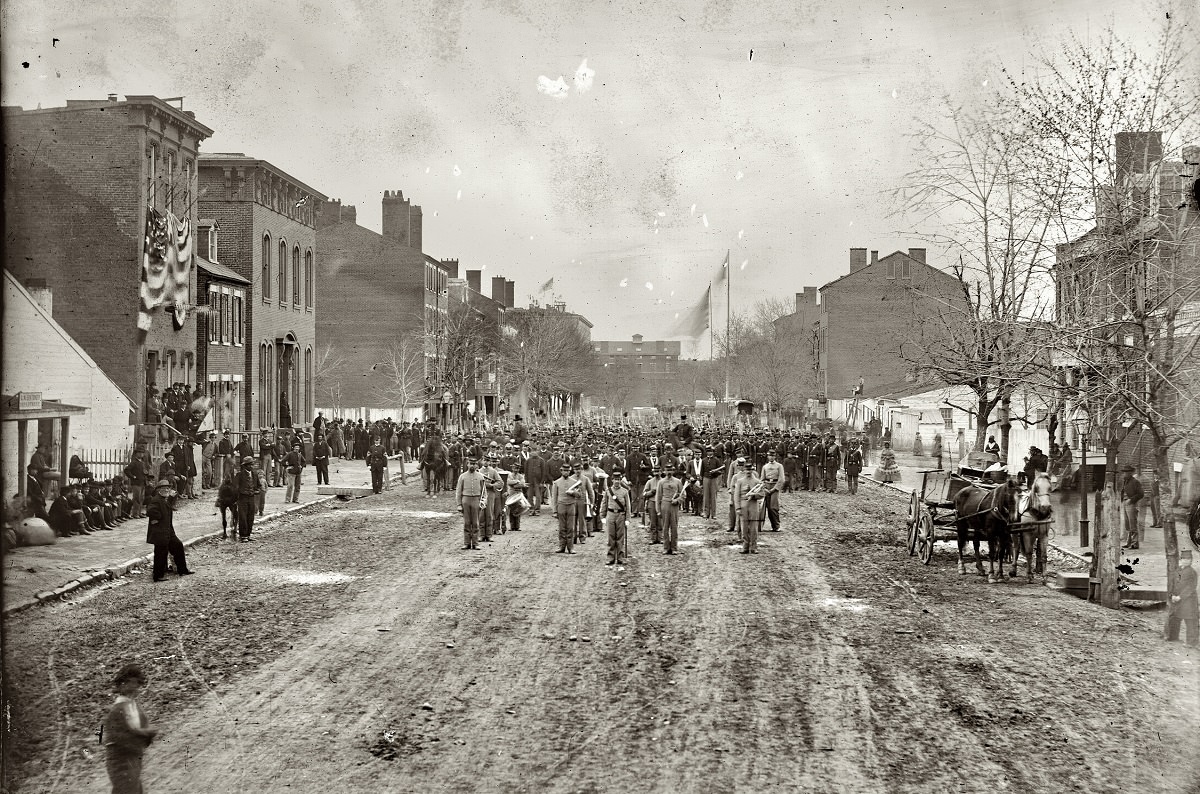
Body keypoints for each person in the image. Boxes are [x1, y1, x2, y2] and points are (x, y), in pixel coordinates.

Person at [103, 663, 158, 794]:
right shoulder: (117, 711)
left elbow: (143, 732)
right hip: (121, 763)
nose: (136, 687)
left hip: (134, 760)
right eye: (133, 683)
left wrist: (147, 734)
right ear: (122, 685)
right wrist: (146, 733)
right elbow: (121, 739)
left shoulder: (133, 706)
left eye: (138, 684)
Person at [145, 479, 192, 580]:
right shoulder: (156, 500)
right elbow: (150, 511)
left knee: (178, 546)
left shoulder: (164, 499)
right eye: (164, 488)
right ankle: (157, 576)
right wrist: (158, 517)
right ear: (159, 490)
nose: (166, 490)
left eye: (168, 488)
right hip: (160, 532)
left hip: (168, 531)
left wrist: (171, 498)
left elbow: (168, 506)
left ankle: (182, 570)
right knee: (160, 553)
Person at [1165, 549, 1198, 647]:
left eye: (1188, 559)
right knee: (1174, 617)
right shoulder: (1178, 570)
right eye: (1184, 559)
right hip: (1176, 598)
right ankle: (1173, 636)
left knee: (1190, 620)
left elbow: (1191, 587)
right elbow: (1173, 583)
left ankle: (1191, 642)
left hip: (1189, 599)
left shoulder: (1192, 572)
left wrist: (1180, 596)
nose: (1186, 561)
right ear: (1181, 559)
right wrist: (1172, 595)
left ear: (1191, 560)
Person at [455, 456, 486, 550]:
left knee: (476, 523)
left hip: (476, 500)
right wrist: (459, 504)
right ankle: (467, 543)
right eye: (470, 464)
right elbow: (458, 491)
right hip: (466, 500)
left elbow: (484, 492)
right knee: (467, 522)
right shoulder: (462, 476)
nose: (472, 466)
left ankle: (476, 543)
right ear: (467, 464)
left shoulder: (480, 477)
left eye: (474, 464)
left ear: (477, 465)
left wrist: (483, 502)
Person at [551, 462, 582, 554]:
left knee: (570, 528)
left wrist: (572, 493)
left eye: (568, 471)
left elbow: (579, 495)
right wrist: (555, 511)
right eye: (564, 471)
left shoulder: (574, 482)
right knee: (561, 528)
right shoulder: (556, 483)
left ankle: (570, 547)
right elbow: (554, 498)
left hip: (571, 506)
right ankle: (561, 546)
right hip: (561, 506)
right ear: (561, 471)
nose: (566, 473)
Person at [603, 468, 631, 565]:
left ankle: (620, 557)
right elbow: (604, 504)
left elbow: (628, 506)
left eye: (619, 479)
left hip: (621, 515)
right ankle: (610, 557)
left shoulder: (625, 492)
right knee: (611, 537)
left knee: (620, 537)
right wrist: (602, 516)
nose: (617, 481)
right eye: (615, 479)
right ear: (612, 480)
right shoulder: (608, 491)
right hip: (610, 514)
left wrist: (627, 519)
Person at [656, 467, 683, 555]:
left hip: (674, 506)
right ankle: (666, 547)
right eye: (667, 470)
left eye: (670, 470)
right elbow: (658, 497)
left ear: (673, 471)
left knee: (674, 527)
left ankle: (674, 548)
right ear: (664, 471)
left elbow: (683, 495)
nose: (669, 472)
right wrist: (658, 510)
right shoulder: (661, 482)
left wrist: (677, 500)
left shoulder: (678, 482)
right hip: (665, 505)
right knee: (665, 527)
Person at [233, 457, 260, 541]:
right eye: (250, 465)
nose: (252, 466)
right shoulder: (240, 475)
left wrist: (257, 491)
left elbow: (258, 485)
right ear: (245, 466)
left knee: (250, 516)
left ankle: (248, 534)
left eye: (252, 464)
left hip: (251, 498)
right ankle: (243, 536)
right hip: (242, 498)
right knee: (243, 517)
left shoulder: (255, 474)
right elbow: (235, 487)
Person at [1120, 464, 1144, 549]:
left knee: (1132, 524)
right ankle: (1129, 542)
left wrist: (1131, 500)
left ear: (1130, 473)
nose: (1124, 474)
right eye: (1124, 472)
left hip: (1131, 504)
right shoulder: (1125, 481)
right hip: (1125, 503)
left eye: (1126, 472)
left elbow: (1141, 494)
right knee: (1127, 524)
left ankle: (1135, 543)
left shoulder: (1135, 482)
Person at [760, 449, 785, 531]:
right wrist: (764, 488)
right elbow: (762, 479)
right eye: (770, 456)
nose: (771, 457)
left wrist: (775, 489)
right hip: (767, 486)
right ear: (767, 456)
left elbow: (781, 479)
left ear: (775, 456)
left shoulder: (779, 466)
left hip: (774, 486)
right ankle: (770, 526)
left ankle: (776, 526)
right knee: (766, 507)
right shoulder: (765, 466)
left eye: (773, 456)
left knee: (773, 507)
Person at [216, 470, 238, 539]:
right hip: (227, 501)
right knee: (230, 515)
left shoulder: (228, 485)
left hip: (228, 501)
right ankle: (229, 530)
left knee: (231, 515)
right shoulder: (227, 485)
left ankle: (233, 528)